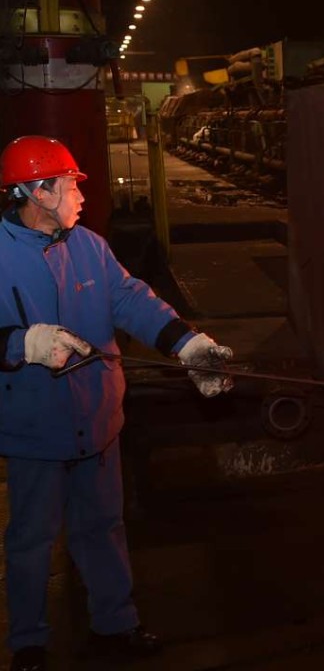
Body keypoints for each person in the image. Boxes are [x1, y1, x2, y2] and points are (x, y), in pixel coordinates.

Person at [0, 135, 233, 671]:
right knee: (32, 538)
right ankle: (29, 643)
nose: (80, 194)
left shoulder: (89, 247)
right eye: (69, 185)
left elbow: (131, 300)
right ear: (37, 192)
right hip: (34, 431)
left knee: (103, 526)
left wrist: (187, 343)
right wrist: (22, 345)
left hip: (97, 421)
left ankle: (115, 623)